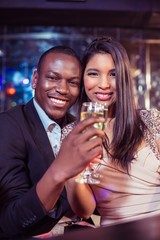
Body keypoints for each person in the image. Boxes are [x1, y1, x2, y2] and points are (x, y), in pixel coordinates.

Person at [0, 45, 105, 238]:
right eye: (53, 78)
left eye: (72, 82)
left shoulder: (79, 127)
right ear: (35, 79)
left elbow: (94, 202)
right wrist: (60, 171)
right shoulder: (8, 125)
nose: (63, 89)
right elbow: (11, 221)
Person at [65, 36, 160, 227]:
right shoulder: (71, 135)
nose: (104, 84)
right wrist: (77, 173)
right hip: (112, 233)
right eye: (93, 73)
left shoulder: (151, 121)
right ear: (82, 78)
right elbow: (85, 211)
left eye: (113, 74)